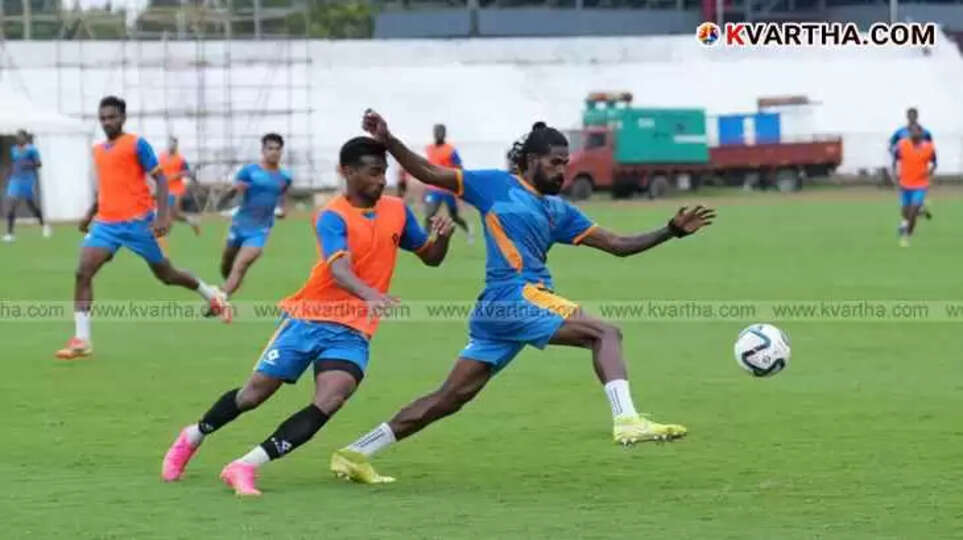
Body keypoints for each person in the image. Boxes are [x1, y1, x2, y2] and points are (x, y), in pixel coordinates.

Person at [329, 111, 716, 484]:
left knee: (448, 398)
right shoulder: (494, 184)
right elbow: (429, 172)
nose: (563, 171)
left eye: (566, 163)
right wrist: (390, 140)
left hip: (501, 311)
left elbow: (618, 244)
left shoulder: (558, 210)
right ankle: (627, 418)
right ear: (531, 161)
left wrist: (671, 231)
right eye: (555, 163)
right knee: (605, 333)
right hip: (515, 297)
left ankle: (355, 453)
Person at [160, 136, 455, 496]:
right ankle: (193, 435)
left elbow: (430, 256)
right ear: (348, 172)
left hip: (353, 330)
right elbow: (339, 270)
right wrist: (369, 294)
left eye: (385, 172)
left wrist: (441, 239)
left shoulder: (397, 210)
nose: (382, 180)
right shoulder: (331, 215)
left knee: (330, 399)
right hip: (309, 319)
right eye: (375, 172)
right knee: (253, 395)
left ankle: (245, 465)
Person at [55, 96, 230, 360]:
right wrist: (89, 214)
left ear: (123, 118)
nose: (107, 122)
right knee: (83, 271)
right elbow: (106, 187)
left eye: (112, 117)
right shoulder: (99, 150)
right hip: (106, 224)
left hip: (139, 223)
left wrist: (161, 217)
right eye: (103, 118)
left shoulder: (137, 144)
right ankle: (82, 339)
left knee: (167, 275)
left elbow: (160, 179)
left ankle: (210, 294)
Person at [216, 133, 292, 300]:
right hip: (240, 225)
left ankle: (220, 297)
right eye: (270, 148)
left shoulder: (285, 177)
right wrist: (234, 190)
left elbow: (283, 194)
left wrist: (281, 208)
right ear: (263, 151)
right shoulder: (249, 172)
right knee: (226, 263)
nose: (274, 152)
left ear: (281, 151)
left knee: (241, 264)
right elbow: (225, 197)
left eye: (277, 149)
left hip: (260, 230)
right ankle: (228, 287)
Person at [409, 124, 473, 242]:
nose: (438, 134)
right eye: (436, 131)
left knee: (454, 216)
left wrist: (458, 185)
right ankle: (424, 240)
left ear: (444, 133)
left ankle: (468, 230)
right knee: (429, 214)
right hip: (433, 188)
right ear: (433, 133)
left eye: (441, 131)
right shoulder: (429, 148)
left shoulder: (451, 150)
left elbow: (459, 168)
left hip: (447, 188)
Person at [893, 123, 936, 248]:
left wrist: (929, 172)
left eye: (916, 131)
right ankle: (918, 213)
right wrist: (896, 176)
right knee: (905, 212)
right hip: (905, 184)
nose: (913, 134)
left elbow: (934, 163)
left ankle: (906, 236)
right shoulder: (902, 145)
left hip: (920, 185)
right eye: (911, 131)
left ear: (921, 133)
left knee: (913, 211)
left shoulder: (929, 148)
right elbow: (895, 161)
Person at [3, 129, 49, 241]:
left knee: (31, 206)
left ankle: (44, 226)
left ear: (25, 137)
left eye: (21, 136)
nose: (19, 138)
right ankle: (10, 233)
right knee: (11, 204)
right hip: (15, 180)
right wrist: (8, 174)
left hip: (27, 180)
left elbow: (39, 164)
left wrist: (28, 164)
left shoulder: (32, 149)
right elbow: (14, 163)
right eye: (17, 137)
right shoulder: (13, 149)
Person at [888, 108, 933, 220]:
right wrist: (895, 153)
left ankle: (918, 209)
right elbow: (891, 144)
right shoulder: (900, 132)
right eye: (910, 115)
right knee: (905, 198)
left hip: (919, 167)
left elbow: (930, 149)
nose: (912, 117)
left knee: (916, 193)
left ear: (917, 116)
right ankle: (919, 210)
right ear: (907, 117)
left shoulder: (925, 132)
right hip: (904, 167)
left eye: (914, 115)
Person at [158, 136, 201, 235]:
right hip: (165, 189)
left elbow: (187, 172)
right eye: (170, 144)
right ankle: (192, 222)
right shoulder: (161, 157)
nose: (172, 146)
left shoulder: (180, 159)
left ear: (176, 146)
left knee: (170, 213)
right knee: (175, 214)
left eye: (174, 144)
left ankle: (164, 234)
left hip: (177, 189)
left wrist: (178, 175)